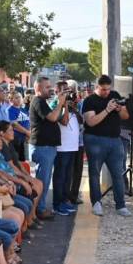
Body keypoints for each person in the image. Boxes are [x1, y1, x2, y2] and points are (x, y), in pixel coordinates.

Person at [82, 75, 132, 216]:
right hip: (95, 140)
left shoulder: (114, 95)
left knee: (118, 173)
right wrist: (107, 110)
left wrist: (119, 109)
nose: (107, 92)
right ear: (97, 87)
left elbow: (126, 116)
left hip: (115, 140)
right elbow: (91, 122)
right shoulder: (89, 101)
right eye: (103, 90)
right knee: (94, 173)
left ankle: (121, 205)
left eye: (108, 89)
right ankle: (96, 203)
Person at [30, 76, 67, 218]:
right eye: (47, 87)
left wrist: (62, 103)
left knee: (44, 179)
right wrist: (60, 103)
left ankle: (40, 208)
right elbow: (52, 117)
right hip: (43, 147)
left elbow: (58, 118)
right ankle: (39, 209)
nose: (50, 89)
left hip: (47, 147)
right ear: (38, 88)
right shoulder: (38, 101)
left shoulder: (43, 102)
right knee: (42, 180)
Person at [53, 89, 81, 217]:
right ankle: (57, 204)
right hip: (62, 148)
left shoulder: (74, 110)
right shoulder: (57, 107)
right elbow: (64, 121)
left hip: (72, 148)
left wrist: (74, 105)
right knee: (60, 177)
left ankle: (64, 200)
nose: (70, 99)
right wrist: (63, 104)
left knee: (68, 177)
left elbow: (81, 121)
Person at [7, 91, 30, 163]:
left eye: (20, 97)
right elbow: (14, 125)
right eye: (16, 98)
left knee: (24, 161)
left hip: (24, 138)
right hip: (15, 139)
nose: (19, 99)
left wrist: (28, 134)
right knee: (16, 161)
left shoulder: (23, 110)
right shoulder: (10, 110)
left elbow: (28, 122)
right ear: (11, 100)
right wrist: (27, 132)